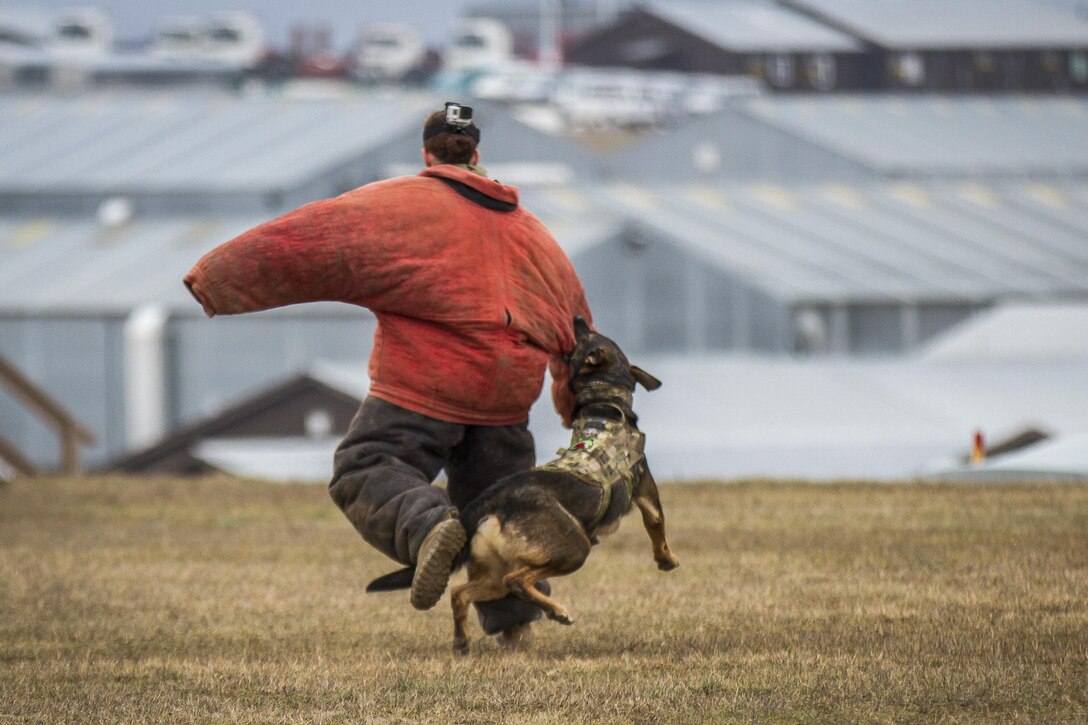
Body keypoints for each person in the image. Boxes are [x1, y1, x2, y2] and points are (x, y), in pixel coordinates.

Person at [183, 102, 591, 643]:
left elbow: (307, 239)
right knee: (501, 511)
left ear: (427, 154)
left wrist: (214, 280)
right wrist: (571, 403)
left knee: (366, 466)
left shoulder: (398, 205)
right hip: (508, 394)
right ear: (476, 154)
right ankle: (515, 634)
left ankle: (428, 531)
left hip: (429, 382)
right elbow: (578, 325)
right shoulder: (531, 232)